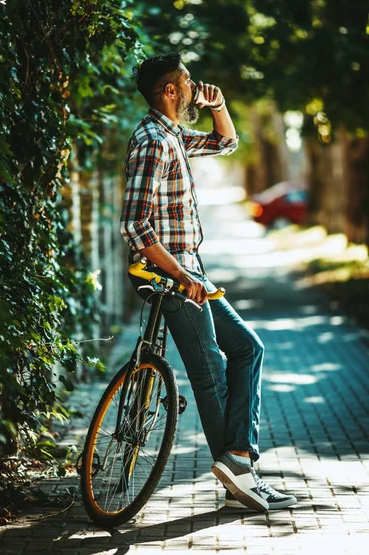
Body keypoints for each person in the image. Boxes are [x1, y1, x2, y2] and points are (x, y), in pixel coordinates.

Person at [120, 52, 297, 511]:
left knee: (248, 347)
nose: (196, 87)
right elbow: (135, 227)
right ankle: (240, 480)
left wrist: (218, 106)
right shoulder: (152, 142)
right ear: (170, 91)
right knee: (211, 372)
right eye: (188, 81)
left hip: (190, 268)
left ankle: (238, 458)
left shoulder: (173, 135)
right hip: (170, 275)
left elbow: (224, 143)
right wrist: (179, 275)